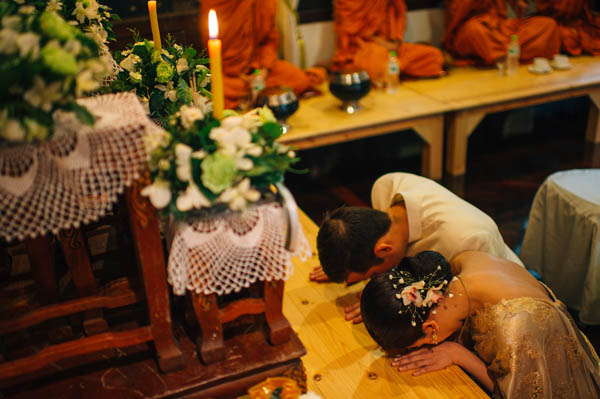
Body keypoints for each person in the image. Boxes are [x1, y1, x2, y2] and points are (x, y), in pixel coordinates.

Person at [361, 250, 600, 398]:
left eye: (421, 345)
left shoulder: (513, 329)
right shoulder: (464, 262)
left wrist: (457, 353)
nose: (427, 347)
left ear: (430, 328)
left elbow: (518, 393)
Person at [311, 172, 522, 323]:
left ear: (383, 250)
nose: (370, 281)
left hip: (508, 306)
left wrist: (387, 303)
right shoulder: (385, 187)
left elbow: (471, 305)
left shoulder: (467, 241)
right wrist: (340, 259)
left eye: (370, 275)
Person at [199, 0, 326, 110]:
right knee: (212, 93)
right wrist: (242, 76)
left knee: (299, 79)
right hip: (229, 74)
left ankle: (251, 97)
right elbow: (213, 48)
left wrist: (262, 72)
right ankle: (256, 96)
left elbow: (270, 39)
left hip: (259, 67)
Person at [331, 0, 444, 83]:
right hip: (363, 48)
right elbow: (349, 33)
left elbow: (399, 15)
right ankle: (393, 70)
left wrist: (396, 42)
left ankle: (392, 69)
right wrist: (380, 43)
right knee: (377, 63)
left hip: (391, 47)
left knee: (433, 55)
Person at [443, 0, 561, 66]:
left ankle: (503, 55)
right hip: (474, 27)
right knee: (474, 31)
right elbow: (457, 14)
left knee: (547, 24)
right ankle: (507, 55)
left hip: (500, 26)